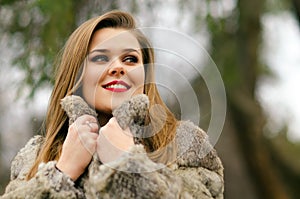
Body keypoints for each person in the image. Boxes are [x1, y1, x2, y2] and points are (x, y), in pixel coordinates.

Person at [1, 10, 224, 198]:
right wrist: (61, 173)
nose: (118, 67)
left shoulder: (185, 144)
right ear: (76, 74)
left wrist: (129, 165)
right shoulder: (34, 156)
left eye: (130, 59)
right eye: (100, 58)